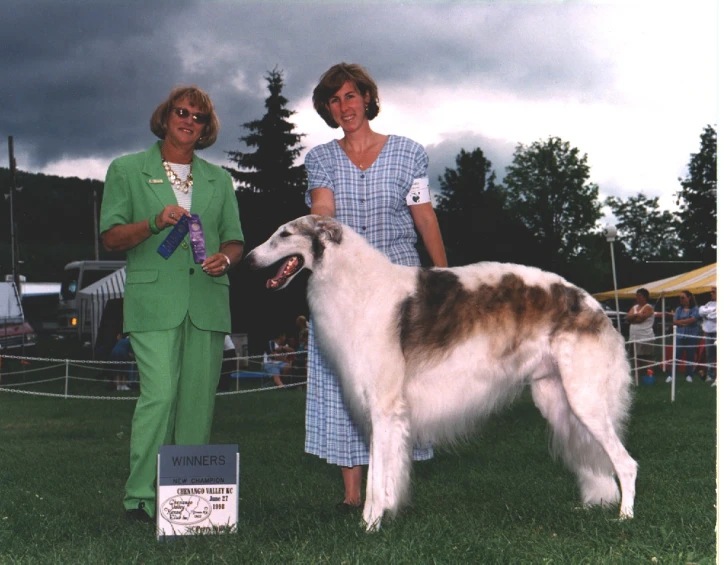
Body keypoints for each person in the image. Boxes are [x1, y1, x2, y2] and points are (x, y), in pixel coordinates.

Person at [304, 62, 448, 509]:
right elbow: (322, 206)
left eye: (351, 96)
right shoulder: (320, 158)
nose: (344, 106)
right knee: (341, 381)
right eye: (334, 99)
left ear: (367, 98)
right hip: (341, 289)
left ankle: (388, 485)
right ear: (328, 108)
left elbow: (424, 216)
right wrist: (321, 218)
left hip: (399, 287)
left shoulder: (408, 153)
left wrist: (444, 278)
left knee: (396, 385)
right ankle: (352, 494)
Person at [100, 85, 244, 522]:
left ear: (206, 129)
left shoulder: (220, 179)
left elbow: (235, 239)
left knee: (198, 403)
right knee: (159, 396)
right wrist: (152, 222)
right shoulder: (127, 170)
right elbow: (110, 238)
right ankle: (140, 499)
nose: (188, 120)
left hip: (207, 302)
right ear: (165, 117)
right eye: (181, 112)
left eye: (198, 117)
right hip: (153, 303)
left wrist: (226, 258)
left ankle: (186, 500)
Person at [668, 290, 700, 383]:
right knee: (676, 355)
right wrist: (685, 321)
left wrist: (681, 322)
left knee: (690, 356)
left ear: (689, 298)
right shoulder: (678, 309)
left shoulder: (695, 308)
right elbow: (674, 321)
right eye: (680, 298)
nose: (681, 299)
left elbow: (693, 319)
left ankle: (689, 375)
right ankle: (671, 375)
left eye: (683, 297)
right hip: (680, 335)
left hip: (692, 335)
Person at [625, 288, 655, 381]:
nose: (637, 297)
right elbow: (628, 318)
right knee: (636, 357)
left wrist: (633, 318)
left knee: (647, 356)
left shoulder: (648, 307)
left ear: (645, 297)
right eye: (636, 295)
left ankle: (649, 376)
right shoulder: (634, 307)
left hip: (645, 336)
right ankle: (638, 376)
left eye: (639, 295)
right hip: (634, 337)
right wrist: (636, 315)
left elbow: (641, 319)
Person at [698, 286, 717, 386]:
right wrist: (711, 313)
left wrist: (707, 314)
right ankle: (710, 375)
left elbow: (717, 316)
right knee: (710, 355)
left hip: (718, 332)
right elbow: (700, 311)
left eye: (713, 292)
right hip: (708, 332)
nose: (711, 294)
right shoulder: (709, 303)